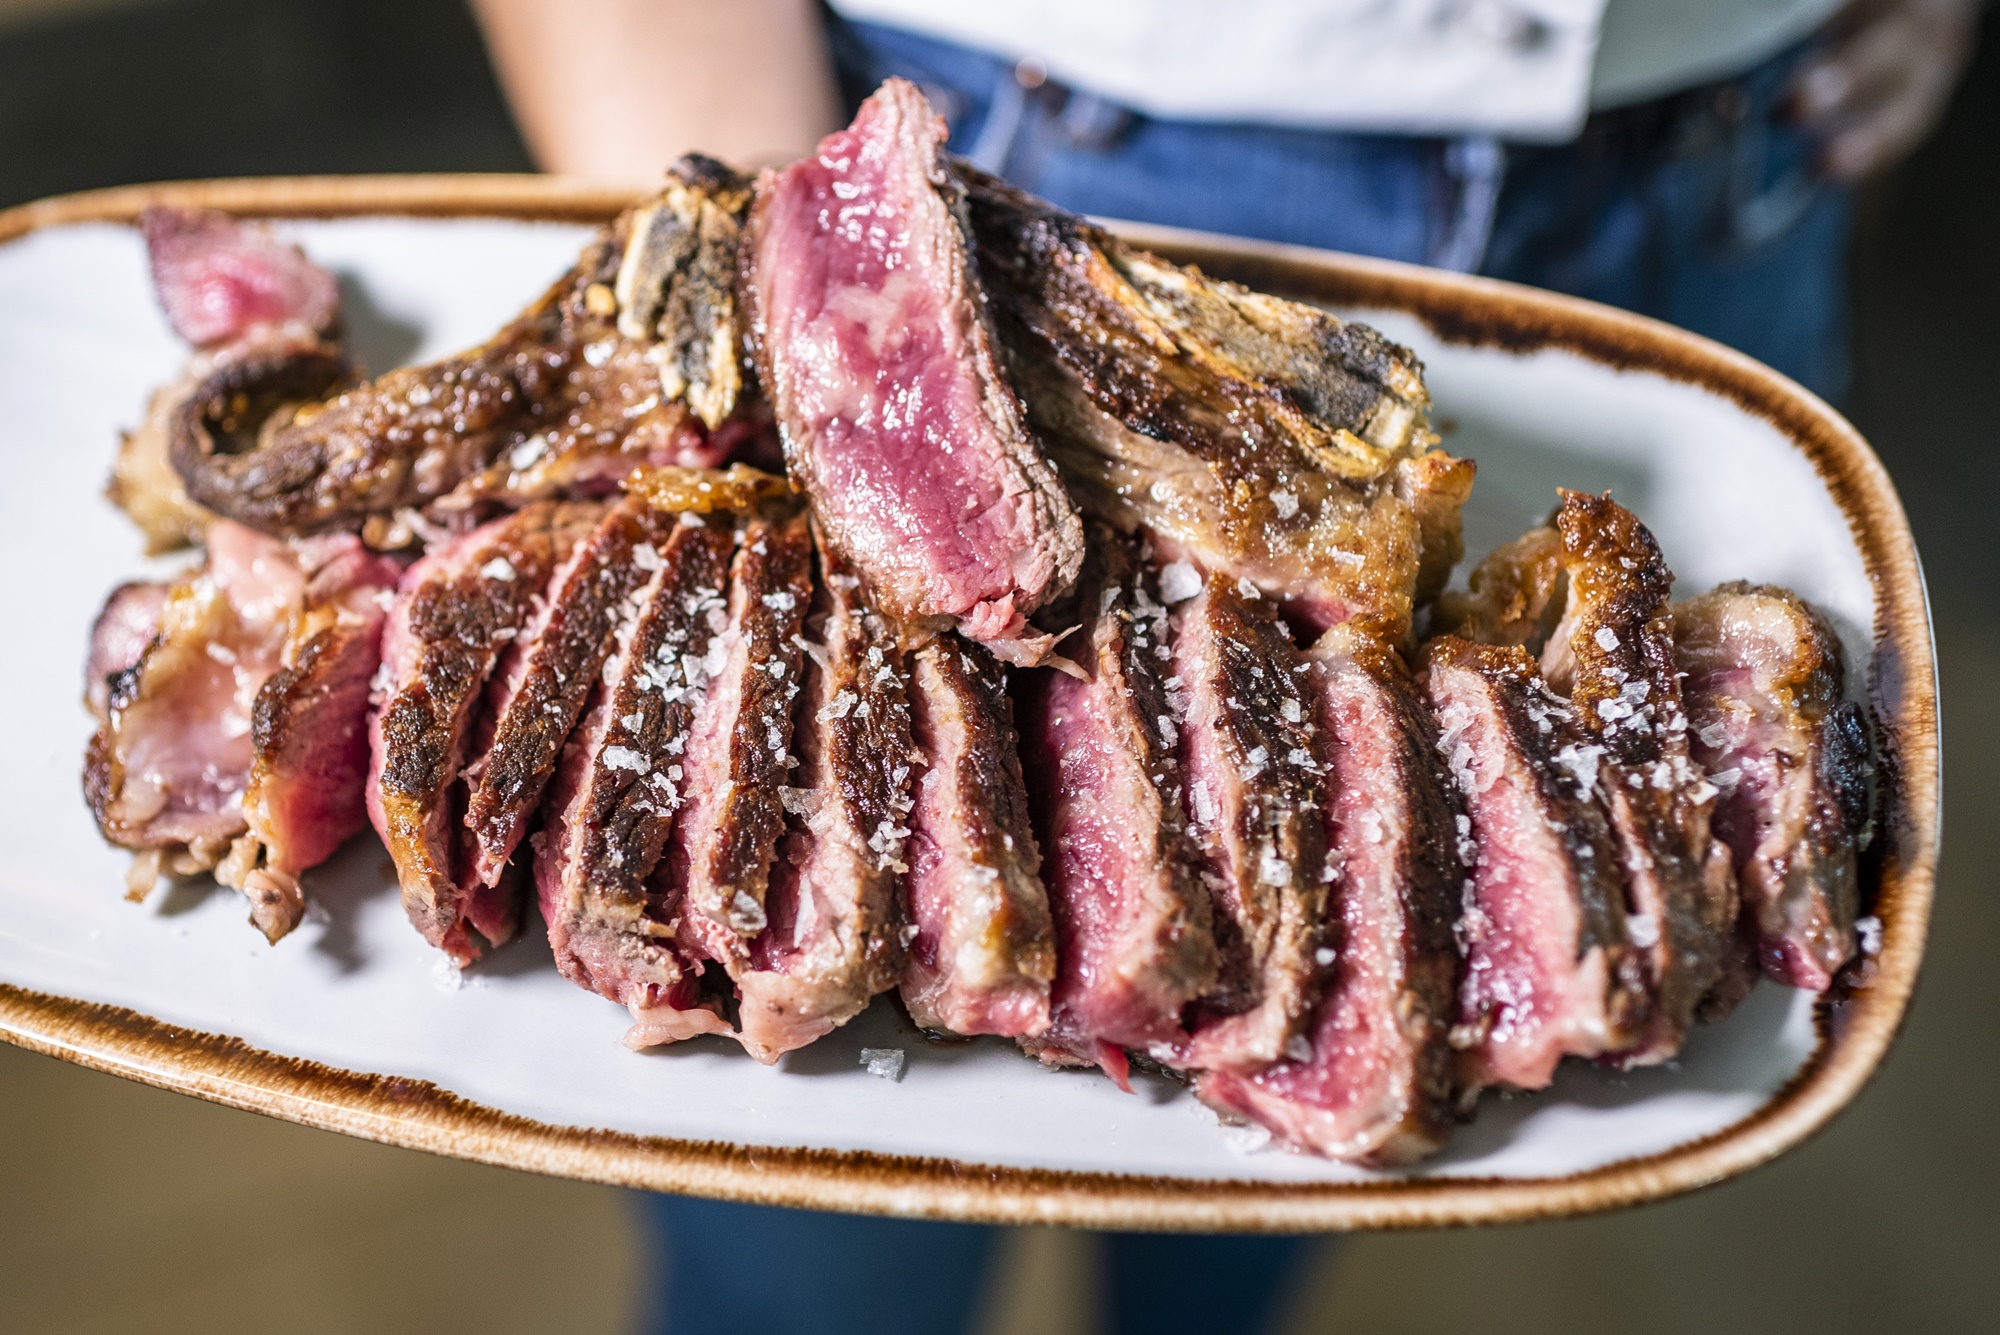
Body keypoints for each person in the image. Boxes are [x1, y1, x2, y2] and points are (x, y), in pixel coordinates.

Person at [466, 3, 1982, 1332]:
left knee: (1319, 1138)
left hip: (1716, 167)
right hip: (1031, 165)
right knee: (817, 1276)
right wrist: (782, 287)